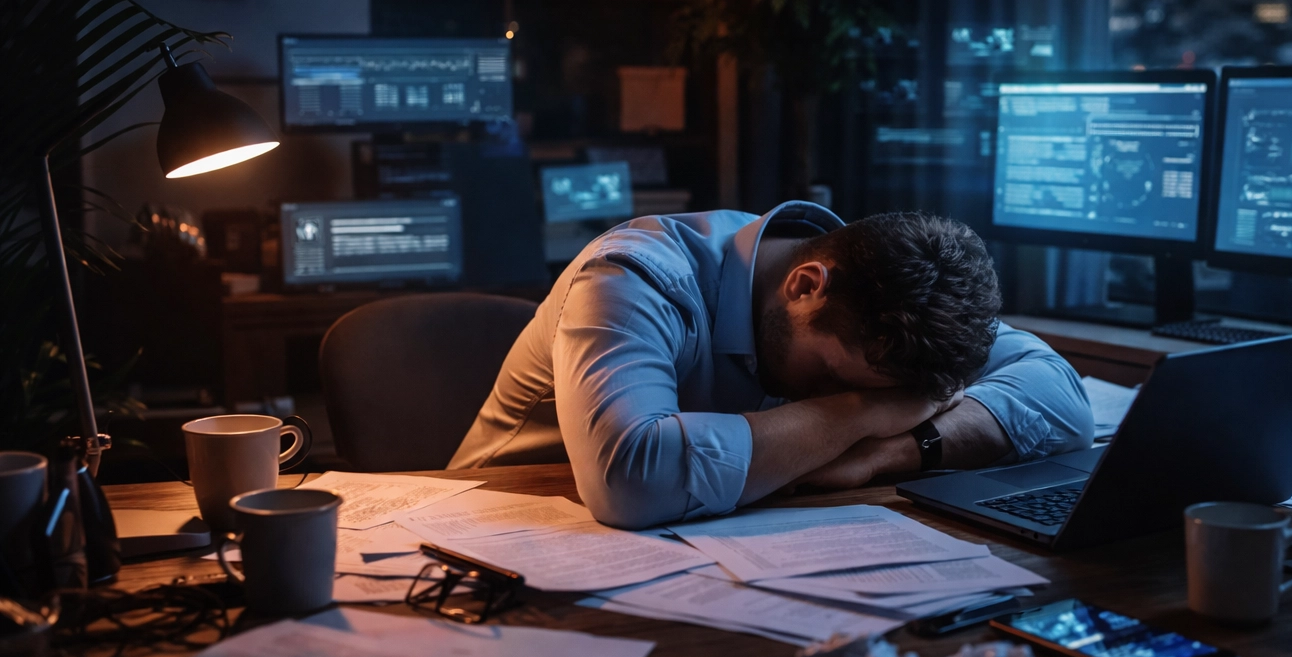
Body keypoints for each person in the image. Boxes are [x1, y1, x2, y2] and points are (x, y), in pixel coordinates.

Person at [451, 202, 1093, 529]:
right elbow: (631, 478)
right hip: (495, 540)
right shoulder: (633, 275)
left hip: (697, 547)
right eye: (833, 375)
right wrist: (861, 412)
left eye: (877, 393)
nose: (844, 395)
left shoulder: (899, 300)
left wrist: (897, 450)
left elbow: (1062, 402)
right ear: (806, 285)